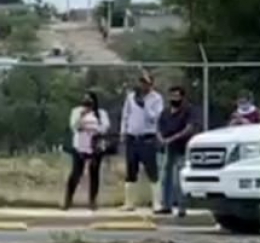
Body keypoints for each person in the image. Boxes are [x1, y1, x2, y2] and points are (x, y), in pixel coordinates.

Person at [119, 71, 164, 211]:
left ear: (151, 84)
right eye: (141, 82)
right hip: (133, 137)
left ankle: (156, 203)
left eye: (146, 83)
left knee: (152, 170)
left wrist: (144, 106)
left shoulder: (156, 98)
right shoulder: (131, 97)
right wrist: (123, 132)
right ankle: (129, 203)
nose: (143, 85)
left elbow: (155, 118)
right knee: (131, 170)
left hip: (147, 138)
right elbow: (125, 115)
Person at [64, 91, 111, 210]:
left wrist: (93, 126)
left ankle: (92, 200)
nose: (87, 104)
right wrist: (82, 115)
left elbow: (104, 127)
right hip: (80, 146)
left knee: (94, 172)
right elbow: (74, 126)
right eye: (85, 102)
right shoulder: (76, 111)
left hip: (95, 146)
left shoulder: (101, 113)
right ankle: (68, 199)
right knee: (76, 173)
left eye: (90, 102)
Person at [156, 85, 198, 217]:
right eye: (171, 95)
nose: (174, 98)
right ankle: (166, 205)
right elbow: (158, 127)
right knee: (166, 177)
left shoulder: (188, 110)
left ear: (182, 97)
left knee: (179, 178)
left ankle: (182, 207)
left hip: (182, 147)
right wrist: (161, 139)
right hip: (168, 147)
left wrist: (173, 138)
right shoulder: (166, 112)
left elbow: (190, 128)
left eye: (177, 96)